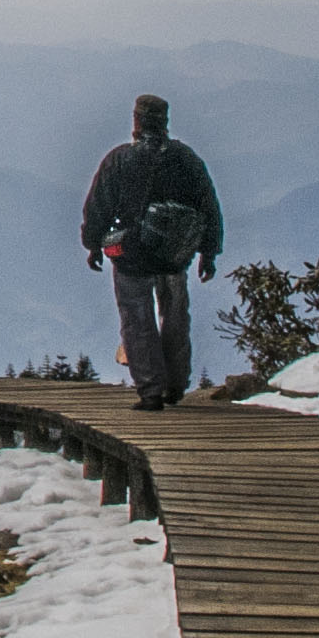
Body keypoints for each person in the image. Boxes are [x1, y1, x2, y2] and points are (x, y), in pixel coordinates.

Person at [79, 92, 222, 411]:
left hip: (132, 255)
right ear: (165, 122)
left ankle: (151, 390)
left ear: (137, 121)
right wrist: (208, 252)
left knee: (136, 317)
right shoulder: (186, 159)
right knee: (175, 316)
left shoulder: (119, 159)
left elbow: (99, 205)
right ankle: (175, 384)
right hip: (174, 256)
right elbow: (208, 206)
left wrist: (93, 245)